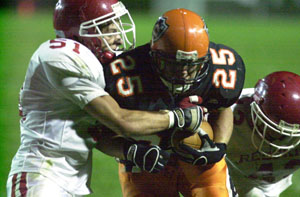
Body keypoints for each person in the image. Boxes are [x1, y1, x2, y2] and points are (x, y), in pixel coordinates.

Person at [6, 1, 205, 196]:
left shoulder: (95, 66)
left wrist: (130, 151)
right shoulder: (61, 55)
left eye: (117, 26)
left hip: (71, 179)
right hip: (41, 175)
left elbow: (94, 132)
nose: (118, 37)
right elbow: (121, 121)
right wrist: (177, 117)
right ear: (77, 30)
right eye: (106, 28)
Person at [100, 8, 245, 196]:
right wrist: (131, 152)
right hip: (147, 159)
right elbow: (98, 133)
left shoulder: (221, 69)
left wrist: (220, 146)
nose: (183, 72)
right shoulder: (125, 75)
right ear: (154, 56)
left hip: (198, 156)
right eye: (174, 64)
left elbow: (223, 107)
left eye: (191, 65)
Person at [226, 71, 300, 197]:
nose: (279, 138)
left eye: (289, 135)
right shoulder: (229, 112)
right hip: (230, 172)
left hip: (272, 183)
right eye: (271, 128)